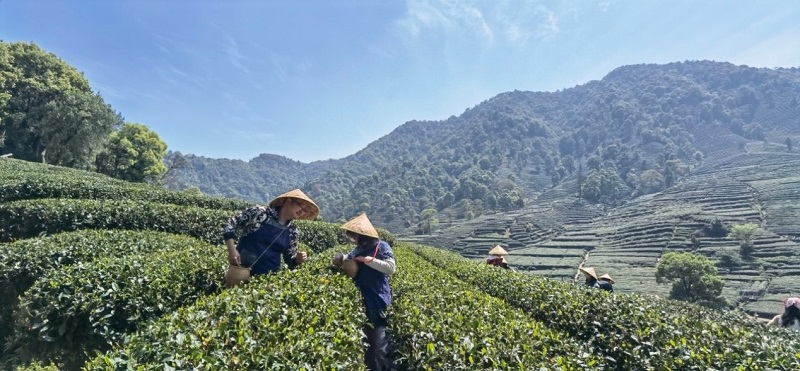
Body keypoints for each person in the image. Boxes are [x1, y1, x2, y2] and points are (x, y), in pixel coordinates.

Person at [333, 213, 396, 371]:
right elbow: (348, 257)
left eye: (354, 236)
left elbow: (390, 268)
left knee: (381, 345)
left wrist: (370, 260)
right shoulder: (358, 249)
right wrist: (340, 258)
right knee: (367, 345)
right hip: (363, 303)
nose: (353, 239)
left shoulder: (382, 247)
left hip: (378, 301)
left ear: (362, 235)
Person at [222, 189, 319, 278]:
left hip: (268, 280)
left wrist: (298, 259)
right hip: (240, 272)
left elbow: (290, 261)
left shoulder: (292, 231)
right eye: (300, 205)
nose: (302, 211)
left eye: (305, 209)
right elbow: (230, 224)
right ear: (289, 200)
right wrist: (232, 250)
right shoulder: (260, 213)